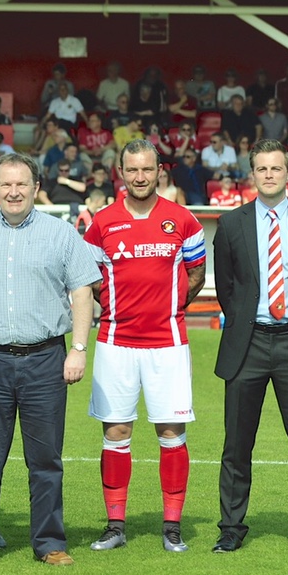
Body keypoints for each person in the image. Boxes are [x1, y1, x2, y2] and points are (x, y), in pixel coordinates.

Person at [0, 153, 100, 567]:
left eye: (22, 184)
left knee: (46, 459)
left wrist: (79, 349)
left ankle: (50, 543)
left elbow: (83, 294)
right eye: (5, 184)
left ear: (36, 188)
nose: (13, 192)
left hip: (46, 360)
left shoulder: (63, 235)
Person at [83, 140, 206, 553]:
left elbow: (195, 276)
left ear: (159, 172)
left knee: (171, 432)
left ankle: (172, 526)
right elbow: (92, 278)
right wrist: (118, 308)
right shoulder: (102, 222)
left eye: (147, 170)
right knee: (116, 431)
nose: (140, 177)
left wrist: (167, 309)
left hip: (168, 343)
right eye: (132, 170)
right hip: (115, 342)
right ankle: (115, 524)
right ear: (121, 172)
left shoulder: (183, 220)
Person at [212, 139, 288, 554]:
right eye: (261, 169)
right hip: (247, 344)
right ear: (252, 175)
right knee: (236, 443)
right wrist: (249, 318)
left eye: (276, 168)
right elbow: (227, 288)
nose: (268, 175)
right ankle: (230, 526)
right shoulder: (231, 224)